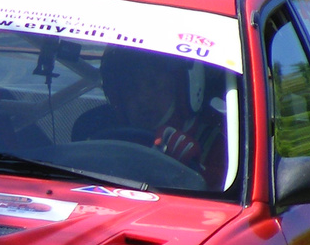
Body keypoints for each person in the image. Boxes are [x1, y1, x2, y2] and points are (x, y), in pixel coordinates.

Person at [73, 46, 220, 170]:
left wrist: (191, 172)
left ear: (181, 88)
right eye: (131, 87)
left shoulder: (217, 147)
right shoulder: (92, 132)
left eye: (153, 84)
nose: (143, 98)